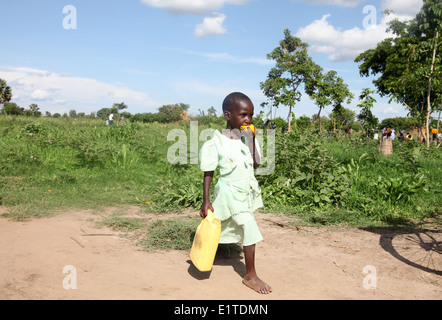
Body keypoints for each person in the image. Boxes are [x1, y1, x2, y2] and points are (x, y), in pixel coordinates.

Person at [199, 92, 272, 295]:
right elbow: (209, 172)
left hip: (244, 191)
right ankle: (250, 275)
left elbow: (256, 164)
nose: (248, 119)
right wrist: (205, 201)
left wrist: (251, 141)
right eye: (243, 115)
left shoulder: (248, 138)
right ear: (228, 115)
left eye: (251, 115)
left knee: (219, 225)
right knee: (248, 226)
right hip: (229, 192)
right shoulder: (216, 142)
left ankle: (200, 252)